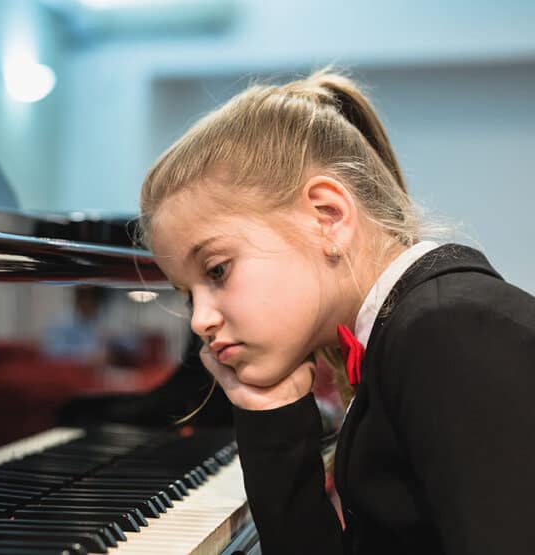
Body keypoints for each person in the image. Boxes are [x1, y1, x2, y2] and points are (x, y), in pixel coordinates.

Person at [138, 69, 535, 554]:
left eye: (217, 271)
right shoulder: (408, 334)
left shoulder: (451, 332)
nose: (200, 320)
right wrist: (271, 417)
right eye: (187, 294)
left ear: (328, 217)